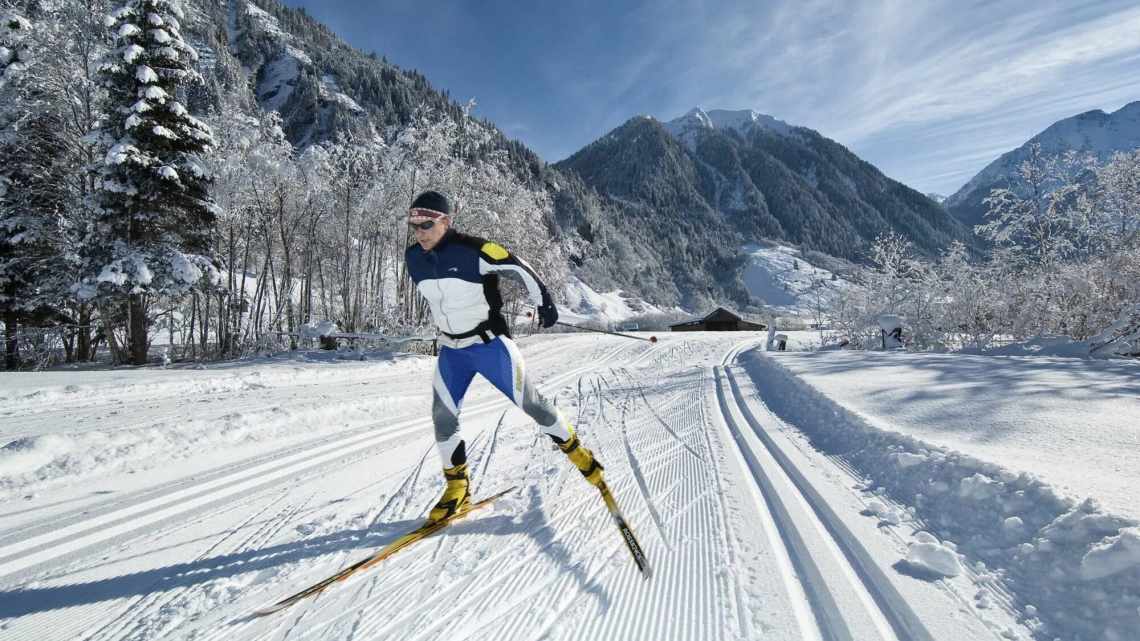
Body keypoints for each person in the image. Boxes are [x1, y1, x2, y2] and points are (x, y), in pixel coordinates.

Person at [403, 190, 606, 522]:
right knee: (442, 416)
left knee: (533, 404)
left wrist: (544, 300)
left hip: (489, 346)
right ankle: (458, 489)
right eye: (415, 226)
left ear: (446, 221)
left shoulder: (472, 249)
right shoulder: (414, 258)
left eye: (427, 224)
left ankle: (580, 455)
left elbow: (518, 265)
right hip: (451, 352)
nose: (421, 232)